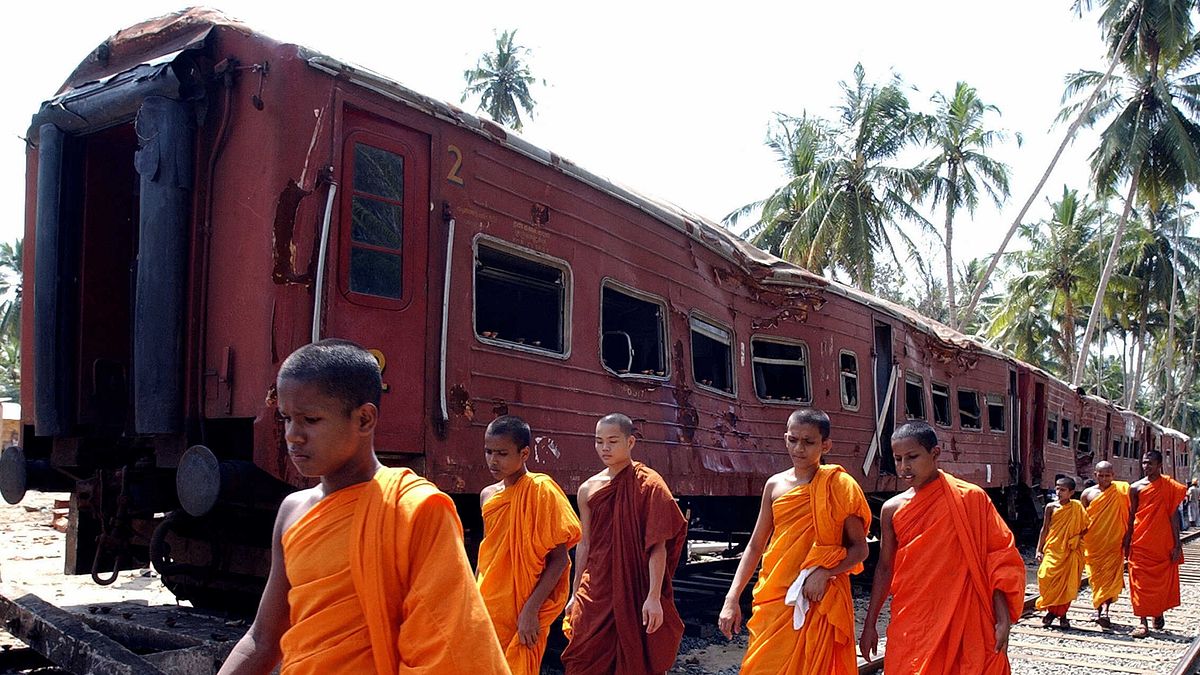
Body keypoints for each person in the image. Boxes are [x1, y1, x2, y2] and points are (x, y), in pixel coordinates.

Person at [217, 339, 508, 674]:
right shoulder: (292, 511)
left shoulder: (414, 510)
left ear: (364, 419)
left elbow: (447, 646)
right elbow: (263, 639)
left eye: (310, 419)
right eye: (286, 418)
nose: (293, 435)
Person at [858, 421, 1025, 674]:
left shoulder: (970, 498)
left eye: (912, 457)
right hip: (914, 613)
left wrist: (1003, 618)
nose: (904, 467)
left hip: (965, 611)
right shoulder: (891, 509)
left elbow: (998, 557)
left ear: (935, 454)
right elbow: (884, 567)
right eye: (898, 459)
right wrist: (870, 623)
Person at [717, 409, 870, 674]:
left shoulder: (840, 485)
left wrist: (826, 572)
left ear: (826, 445)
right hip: (776, 594)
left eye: (809, 442)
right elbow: (755, 546)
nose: (799, 448)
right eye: (793, 440)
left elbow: (860, 548)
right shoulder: (774, 485)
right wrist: (732, 598)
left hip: (819, 597)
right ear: (785, 438)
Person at [560, 413, 687, 674]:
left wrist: (653, 598)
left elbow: (657, 546)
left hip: (634, 586)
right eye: (598, 442)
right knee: (582, 654)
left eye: (612, 441)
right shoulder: (588, 489)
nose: (604, 448)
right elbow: (585, 544)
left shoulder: (650, 484)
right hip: (596, 586)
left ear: (630, 442)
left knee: (634, 658)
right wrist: (574, 593)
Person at [477, 415, 582, 675]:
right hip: (488, 601)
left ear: (524, 453)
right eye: (489, 451)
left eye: (502, 453)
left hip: (523, 604)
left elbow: (560, 559)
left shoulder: (541, 490)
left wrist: (530, 611)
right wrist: (472, 601)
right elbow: (487, 552)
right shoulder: (488, 496)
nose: (493, 460)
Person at [1124, 449, 1187, 638]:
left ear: (1160, 465)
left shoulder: (1169, 486)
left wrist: (1177, 544)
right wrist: (1126, 541)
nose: (1146, 466)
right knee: (1139, 583)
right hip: (1140, 543)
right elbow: (1131, 516)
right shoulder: (1135, 488)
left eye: (1150, 463)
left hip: (1162, 542)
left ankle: (1157, 611)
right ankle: (1142, 622)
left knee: (1161, 581)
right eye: (1144, 462)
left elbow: (1173, 515)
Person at [1034, 476, 1088, 629]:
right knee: (1046, 576)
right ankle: (1051, 610)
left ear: (1071, 492)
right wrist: (1039, 549)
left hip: (1070, 551)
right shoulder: (1051, 507)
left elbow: (1087, 526)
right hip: (1053, 548)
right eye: (1057, 488)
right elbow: (1045, 529)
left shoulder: (1077, 507)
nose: (1058, 492)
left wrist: (1077, 537)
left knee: (1066, 583)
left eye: (1063, 490)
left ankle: (1060, 615)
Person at [1080, 461, 1130, 628]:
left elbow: (1130, 514)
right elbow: (1082, 519)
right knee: (1095, 578)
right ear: (1095, 475)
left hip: (1114, 542)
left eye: (1107, 475)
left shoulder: (1122, 491)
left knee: (1109, 578)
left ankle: (1105, 611)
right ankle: (1099, 607)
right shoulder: (1087, 494)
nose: (1104, 479)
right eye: (1101, 475)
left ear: (1113, 475)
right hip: (1093, 543)